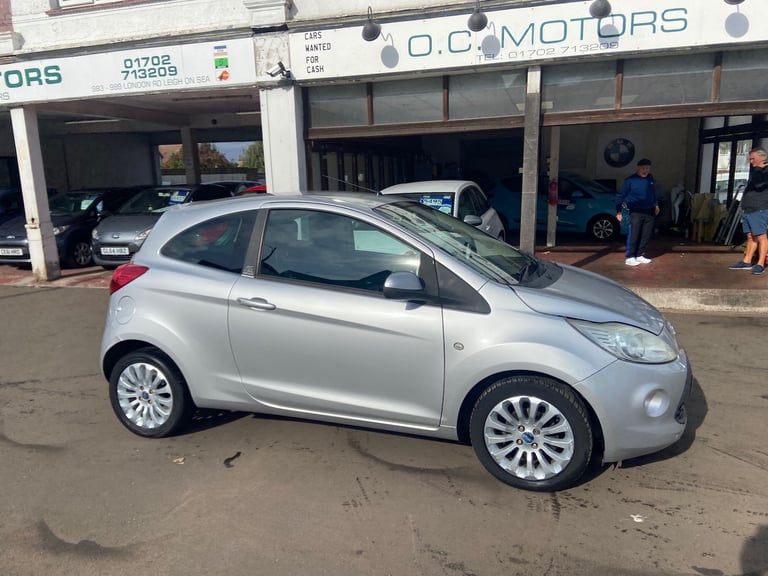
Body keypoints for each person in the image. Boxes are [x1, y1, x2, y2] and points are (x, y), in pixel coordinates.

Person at [729, 147, 768, 274]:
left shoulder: (764, 172)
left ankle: (760, 263)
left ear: (762, 157)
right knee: (750, 236)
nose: (751, 161)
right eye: (750, 159)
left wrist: (759, 169)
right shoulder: (756, 171)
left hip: (760, 208)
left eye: (753, 159)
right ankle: (747, 261)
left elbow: (759, 185)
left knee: (761, 236)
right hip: (749, 209)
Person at [616, 158, 659, 266]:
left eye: (647, 168)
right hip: (636, 211)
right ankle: (630, 256)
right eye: (643, 168)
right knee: (634, 234)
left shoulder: (650, 178)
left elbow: (653, 192)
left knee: (646, 234)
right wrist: (619, 211)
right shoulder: (630, 180)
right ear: (638, 168)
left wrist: (656, 204)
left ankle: (639, 255)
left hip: (649, 210)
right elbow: (620, 195)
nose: (645, 170)